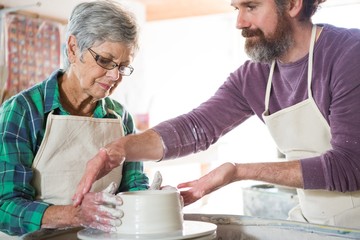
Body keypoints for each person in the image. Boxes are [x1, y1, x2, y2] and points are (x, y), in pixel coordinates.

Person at [73, 0, 360, 230]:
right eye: (237, 9)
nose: (240, 22)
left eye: (251, 7)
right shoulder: (255, 76)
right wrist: (119, 150)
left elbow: (351, 166)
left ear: (294, 4)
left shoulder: (349, 55)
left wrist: (237, 171)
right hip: (314, 224)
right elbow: (196, 128)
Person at [0, 1, 150, 237]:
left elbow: (134, 186)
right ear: (72, 48)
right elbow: (4, 207)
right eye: (104, 60)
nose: (114, 76)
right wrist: (75, 214)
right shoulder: (23, 111)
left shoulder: (121, 117)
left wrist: (154, 199)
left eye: (122, 66)